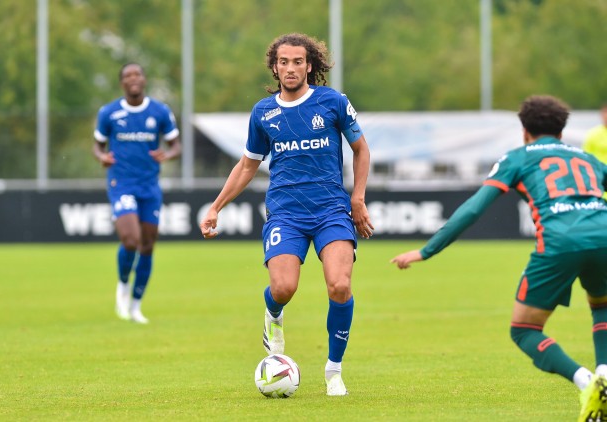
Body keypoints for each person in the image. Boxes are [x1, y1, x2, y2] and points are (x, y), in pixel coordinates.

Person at [392, 95, 607, 420]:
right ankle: (604, 375)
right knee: (602, 305)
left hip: (559, 241)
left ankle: (588, 382)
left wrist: (427, 250)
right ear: (562, 132)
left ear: (523, 130)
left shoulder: (517, 157)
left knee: (524, 329)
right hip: (603, 233)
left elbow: (475, 207)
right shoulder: (591, 160)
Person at [199, 33, 373, 396]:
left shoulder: (332, 102)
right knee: (283, 287)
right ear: (274, 67)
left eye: (297, 61)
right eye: (283, 62)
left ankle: (334, 371)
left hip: (331, 209)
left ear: (310, 65)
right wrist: (216, 206)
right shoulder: (264, 112)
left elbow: (361, 151)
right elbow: (247, 166)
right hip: (286, 213)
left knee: (339, 285)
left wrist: (357, 199)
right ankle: (273, 315)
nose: (290, 68)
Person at [93, 63, 180, 324]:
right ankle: (122, 285)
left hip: (149, 186)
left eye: (137, 74)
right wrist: (102, 157)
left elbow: (176, 143)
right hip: (122, 183)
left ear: (144, 80)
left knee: (148, 245)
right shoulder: (108, 113)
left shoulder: (159, 111)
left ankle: (136, 305)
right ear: (122, 82)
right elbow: (97, 146)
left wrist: (169, 153)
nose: (133, 78)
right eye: (128, 75)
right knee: (131, 239)